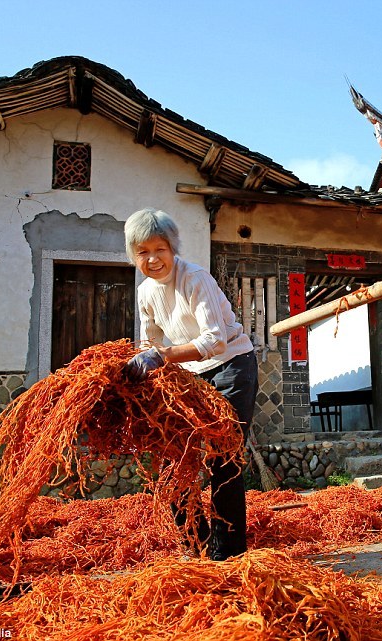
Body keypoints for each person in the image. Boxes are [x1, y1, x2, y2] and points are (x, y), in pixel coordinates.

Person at [122, 207, 257, 561]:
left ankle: (228, 554)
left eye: (159, 249)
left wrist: (161, 356)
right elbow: (148, 344)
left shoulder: (195, 279)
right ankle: (195, 541)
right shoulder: (145, 292)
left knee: (223, 459)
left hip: (231, 368)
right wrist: (142, 367)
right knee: (173, 460)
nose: (152, 259)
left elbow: (215, 341)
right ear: (133, 256)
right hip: (190, 374)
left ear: (173, 248)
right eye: (143, 252)